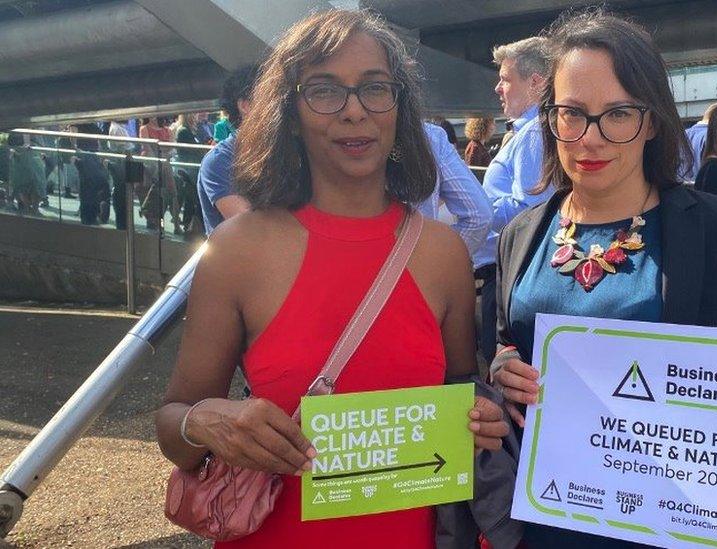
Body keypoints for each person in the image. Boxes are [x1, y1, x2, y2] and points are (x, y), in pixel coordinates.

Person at [155, 10, 509, 546]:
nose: (354, 112)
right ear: (290, 112)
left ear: (400, 108)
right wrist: (205, 423)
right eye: (324, 90)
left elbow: (462, 393)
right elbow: (173, 427)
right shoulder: (237, 251)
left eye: (375, 89)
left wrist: (484, 418)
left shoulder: (443, 255)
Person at [490, 11, 717, 547]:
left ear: (651, 121)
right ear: (549, 118)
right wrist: (505, 364)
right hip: (540, 521)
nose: (590, 139)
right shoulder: (522, 233)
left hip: (677, 522)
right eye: (571, 114)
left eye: (618, 114)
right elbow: (509, 339)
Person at [472, 36, 554, 363]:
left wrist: (475, 210)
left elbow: (529, 209)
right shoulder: (530, 132)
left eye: (505, 79)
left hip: (509, 273)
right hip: (507, 271)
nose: (498, 88)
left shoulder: (534, 134)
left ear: (535, 82)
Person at [197, 65, 258, 235]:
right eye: (272, 98)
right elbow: (251, 230)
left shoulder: (288, 154)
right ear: (245, 106)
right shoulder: (219, 161)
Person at [415, 122, 492, 256]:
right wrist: (438, 261)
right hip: (414, 265)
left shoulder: (431, 138)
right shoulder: (429, 138)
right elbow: (479, 217)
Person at [75, 136, 111, 225]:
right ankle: (95, 217)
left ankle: (88, 218)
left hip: (87, 180)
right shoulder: (97, 160)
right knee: (95, 196)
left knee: (86, 197)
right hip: (96, 181)